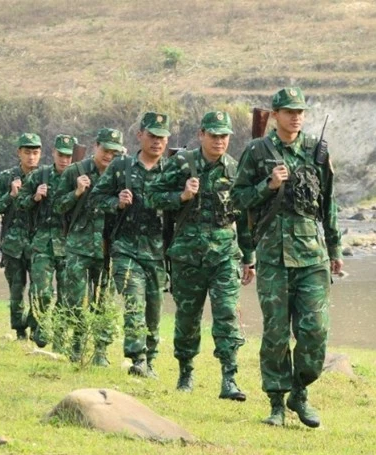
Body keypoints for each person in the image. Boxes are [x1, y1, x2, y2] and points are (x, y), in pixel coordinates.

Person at [232, 87, 343, 428]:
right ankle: (277, 402)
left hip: (312, 255)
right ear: (275, 114)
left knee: (315, 331)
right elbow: (238, 199)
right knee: (277, 332)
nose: (296, 116)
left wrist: (335, 249)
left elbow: (329, 203)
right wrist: (268, 185)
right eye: (289, 111)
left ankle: (301, 390)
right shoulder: (257, 151)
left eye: (300, 111)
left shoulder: (316, 151)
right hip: (273, 256)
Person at [148, 111, 254, 400]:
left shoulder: (235, 169)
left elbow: (243, 215)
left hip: (224, 256)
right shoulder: (182, 164)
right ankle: (185, 372)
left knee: (227, 315)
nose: (220, 141)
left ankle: (229, 379)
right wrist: (180, 197)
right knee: (187, 318)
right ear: (201, 135)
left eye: (224, 135)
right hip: (187, 256)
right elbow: (150, 195)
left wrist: (249, 256)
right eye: (214, 134)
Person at [90, 113, 169, 378]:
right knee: (134, 302)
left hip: (158, 251)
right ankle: (138, 359)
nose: (157, 142)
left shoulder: (172, 170)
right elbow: (96, 198)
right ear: (140, 135)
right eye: (152, 136)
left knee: (154, 308)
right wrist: (116, 202)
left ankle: (151, 357)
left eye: (162, 137)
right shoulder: (121, 167)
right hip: (126, 248)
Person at [55, 128, 125, 366]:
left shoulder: (122, 173)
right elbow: (57, 206)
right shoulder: (76, 171)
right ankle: (76, 346)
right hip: (78, 245)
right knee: (75, 299)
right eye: (106, 150)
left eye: (114, 152)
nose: (109, 156)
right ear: (96, 146)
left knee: (104, 301)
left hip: (108, 247)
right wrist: (76, 193)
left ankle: (101, 352)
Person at [17, 134, 75, 349]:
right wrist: (35, 197)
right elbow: (20, 203)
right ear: (53, 153)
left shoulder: (78, 177)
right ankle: (41, 328)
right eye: (61, 155)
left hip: (69, 244)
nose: (64, 160)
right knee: (41, 291)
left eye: (69, 156)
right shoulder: (39, 176)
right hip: (42, 243)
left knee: (66, 295)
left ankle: (60, 340)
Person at [0, 132, 42, 340]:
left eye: (35, 153)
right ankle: (20, 330)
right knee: (16, 290)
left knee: (39, 289)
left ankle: (37, 326)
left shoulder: (46, 176)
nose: (31, 157)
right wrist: (10, 195)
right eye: (27, 152)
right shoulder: (7, 177)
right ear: (19, 152)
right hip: (13, 244)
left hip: (39, 243)